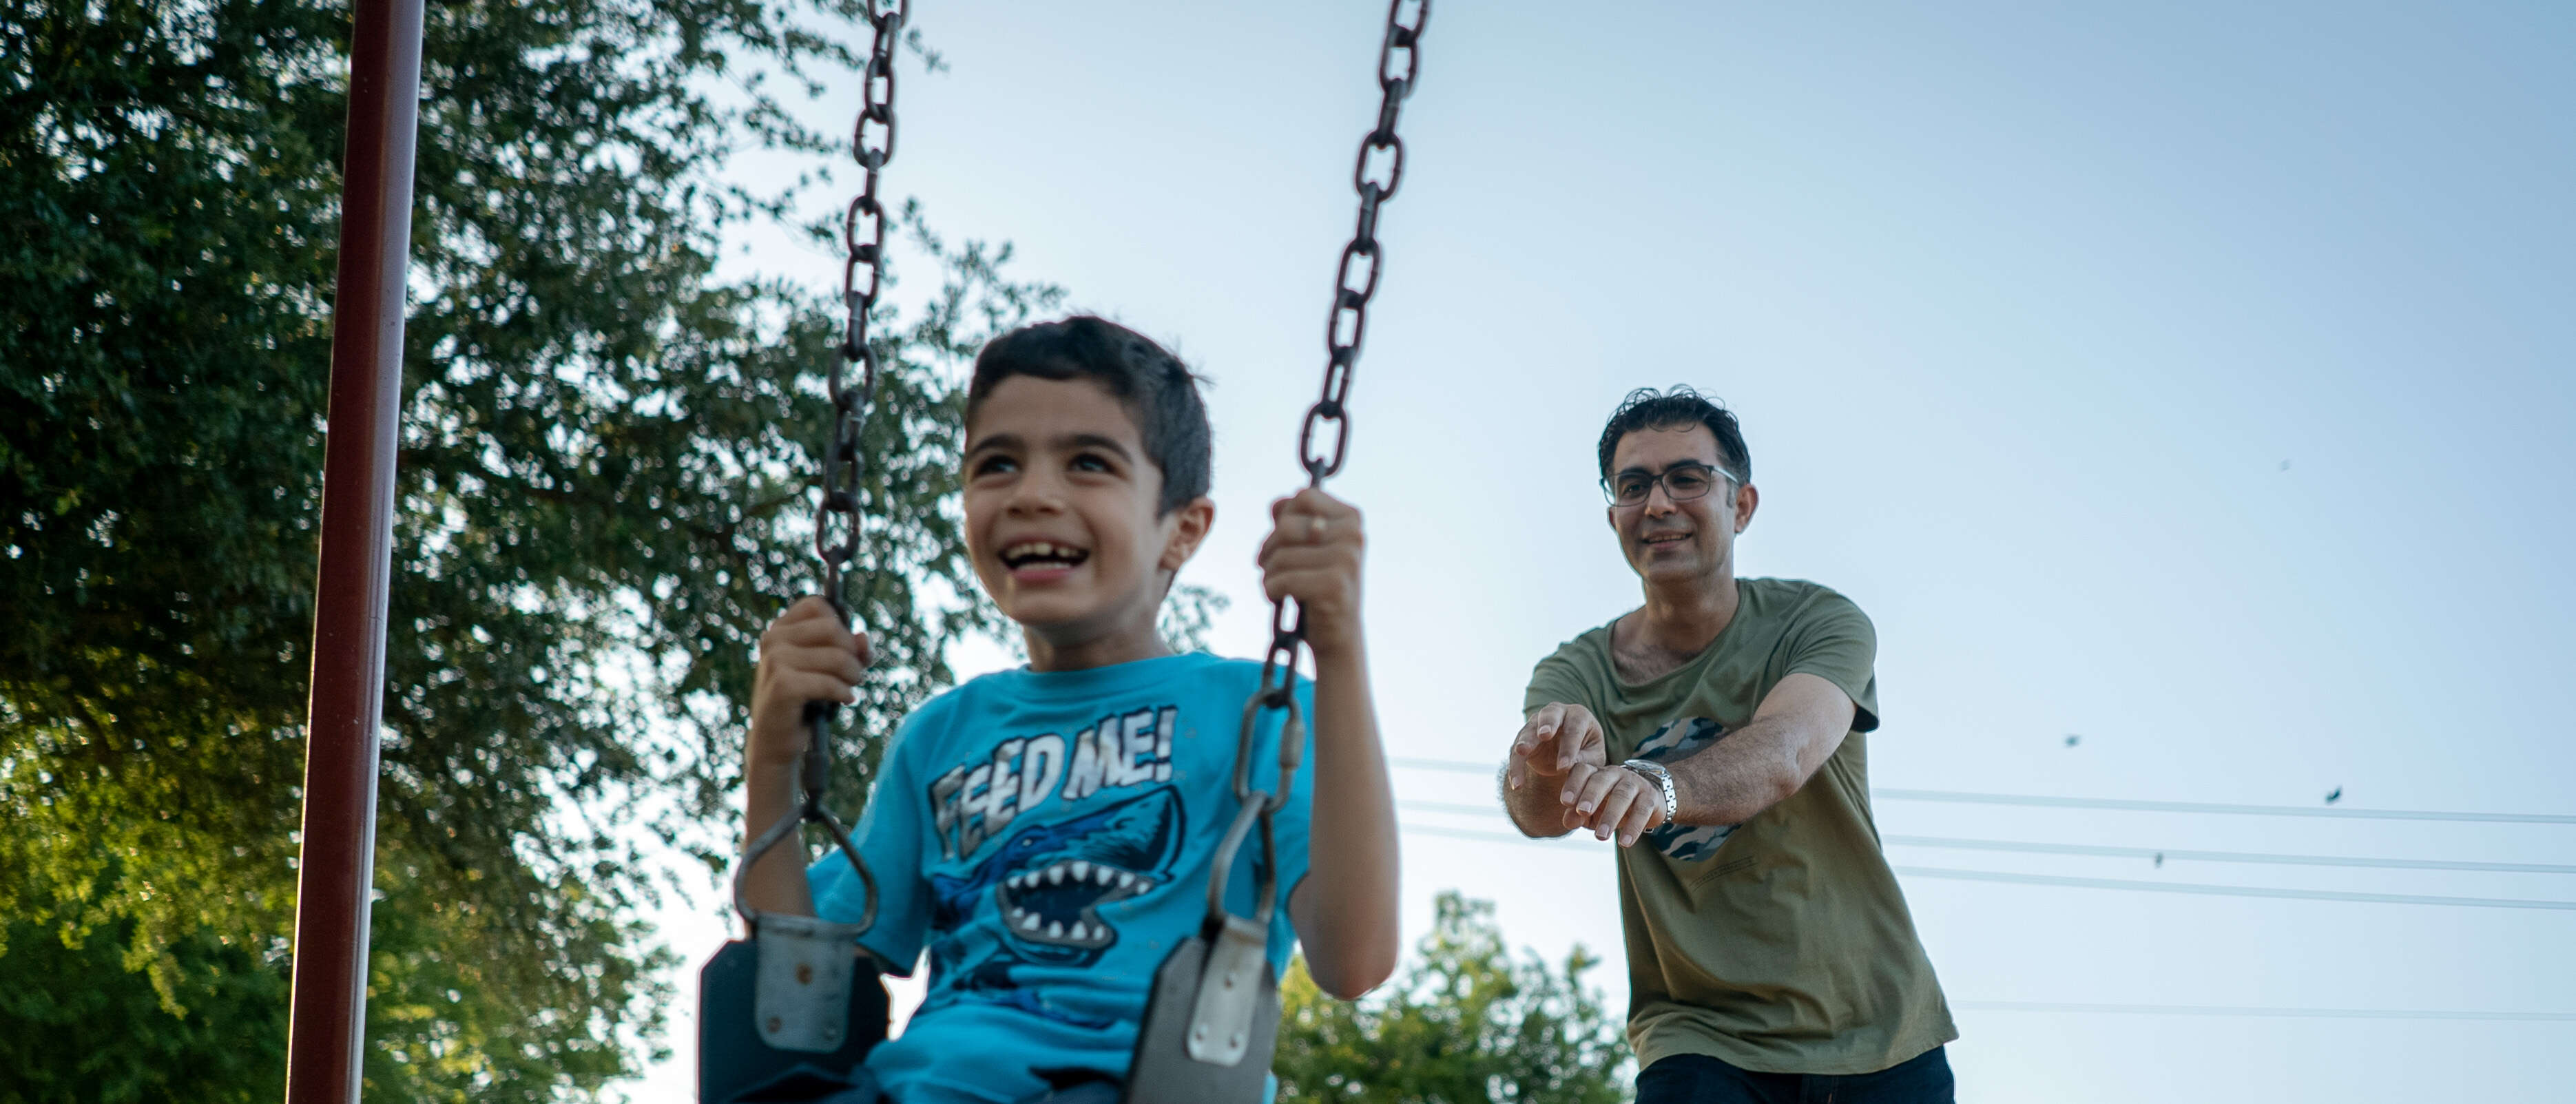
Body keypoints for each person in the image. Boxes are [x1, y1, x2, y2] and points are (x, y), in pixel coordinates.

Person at [740, 316, 1401, 1103]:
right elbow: (796, 985)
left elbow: (1354, 959)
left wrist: (1339, 647)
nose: (1033, 495)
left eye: (1088, 462)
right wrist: (772, 758)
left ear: (1180, 529)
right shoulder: (939, 736)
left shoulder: (1258, 713)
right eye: (996, 465)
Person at [1499, 386, 1957, 1103]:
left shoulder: (1818, 620)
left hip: (1879, 1031)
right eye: (1632, 485)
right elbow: (1538, 812)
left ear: (1740, 505)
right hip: (1698, 1037)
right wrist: (1541, 768)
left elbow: (1782, 751)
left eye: (1686, 478)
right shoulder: (1574, 671)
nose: (1657, 503)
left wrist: (1657, 786)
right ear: (1613, 513)